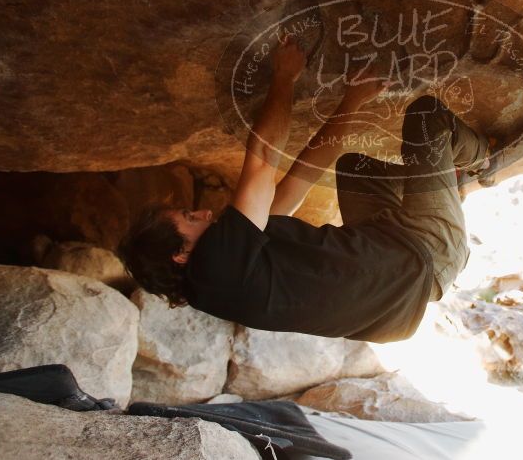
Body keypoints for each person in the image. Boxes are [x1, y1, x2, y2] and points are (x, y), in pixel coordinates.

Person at [118, 39, 492, 343]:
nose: (201, 213)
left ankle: (450, 185)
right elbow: (263, 159)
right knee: (427, 118)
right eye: (188, 218)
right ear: (180, 255)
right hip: (426, 252)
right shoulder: (217, 261)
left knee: (354, 168)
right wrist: (284, 77)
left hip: (403, 264)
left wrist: (353, 99)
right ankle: (488, 158)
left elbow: (303, 176)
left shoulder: (224, 280)